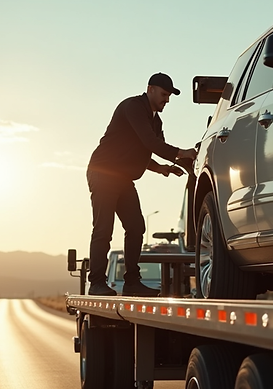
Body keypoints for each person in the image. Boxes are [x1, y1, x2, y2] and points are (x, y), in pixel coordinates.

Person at [85, 73, 198, 297]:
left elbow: (146, 151)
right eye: (164, 94)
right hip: (103, 173)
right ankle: (97, 282)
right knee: (103, 229)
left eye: (169, 96)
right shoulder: (132, 107)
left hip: (123, 178)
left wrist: (167, 167)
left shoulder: (156, 120)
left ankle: (132, 282)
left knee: (136, 227)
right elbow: (151, 142)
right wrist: (181, 153)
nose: (167, 100)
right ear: (151, 89)